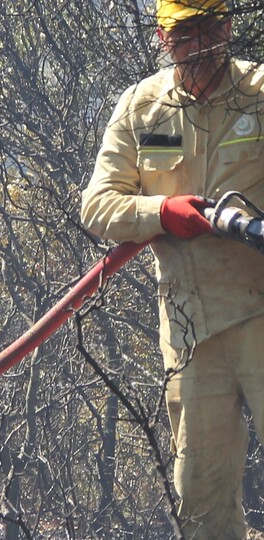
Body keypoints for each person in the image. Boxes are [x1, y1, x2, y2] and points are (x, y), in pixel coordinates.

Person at [82, 1, 264, 538]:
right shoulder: (142, 108)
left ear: (228, 26)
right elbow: (97, 205)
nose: (199, 45)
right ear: (163, 36)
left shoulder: (259, 92)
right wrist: (160, 213)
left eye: (208, 28)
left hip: (260, 315)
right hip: (191, 331)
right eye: (184, 32)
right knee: (201, 504)